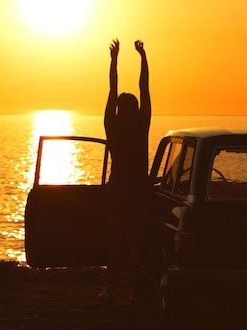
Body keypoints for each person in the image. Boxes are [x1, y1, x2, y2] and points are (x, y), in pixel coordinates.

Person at [99, 39, 151, 305]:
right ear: (137, 109)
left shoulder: (113, 125)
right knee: (134, 242)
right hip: (138, 189)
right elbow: (145, 87)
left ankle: (110, 289)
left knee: (115, 241)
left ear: (118, 109)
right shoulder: (141, 125)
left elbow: (112, 88)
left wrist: (114, 59)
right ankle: (134, 292)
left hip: (118, 188)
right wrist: (142, 57)